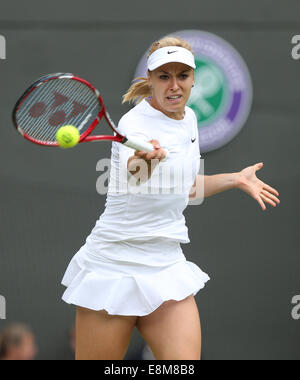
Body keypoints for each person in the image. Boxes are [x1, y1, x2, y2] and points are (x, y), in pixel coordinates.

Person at [61, 36, 280, 360]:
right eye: (164, 76)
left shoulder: (189, 119)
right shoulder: (133, 124)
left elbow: (187, 187)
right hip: (113, 265)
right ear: (150, 80)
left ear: (193, 78)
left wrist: (235, 179)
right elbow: (135, 174)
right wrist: (146, 161)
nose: (174, 85)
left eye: (182, 76)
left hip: (166, 263)